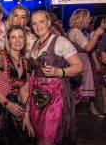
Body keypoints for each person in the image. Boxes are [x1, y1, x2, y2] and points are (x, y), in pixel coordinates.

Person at [29, 10, 83, 144]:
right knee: (38, 136)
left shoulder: (60, 41)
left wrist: (59, 72)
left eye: (41, 21)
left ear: (48, 22)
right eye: (34, 23)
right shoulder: (34, 44)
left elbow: (79, 66)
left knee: (48, 138)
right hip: (36, 96)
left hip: (55, 96)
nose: (38, 26)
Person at [67, 9, 106, 116]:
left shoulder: (78, 31)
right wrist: (97, 34)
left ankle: (67, 118)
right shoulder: (75, 32)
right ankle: (64, 118)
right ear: (82, 19)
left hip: (82, 62)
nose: (89, 20)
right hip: (78, 63)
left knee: (77, 95)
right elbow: (88, 47)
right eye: (87, 18)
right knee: (76, 95)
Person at [89, 16, 106, 115]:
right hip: (96, 60)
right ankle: (92, 106)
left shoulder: (105, 34)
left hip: (103, 60)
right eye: (104, 22)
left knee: (104, 85)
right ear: (99, 23)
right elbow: (92, 50)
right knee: (94, 85)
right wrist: (96, 63)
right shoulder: (94, 33)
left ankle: (105, 108)